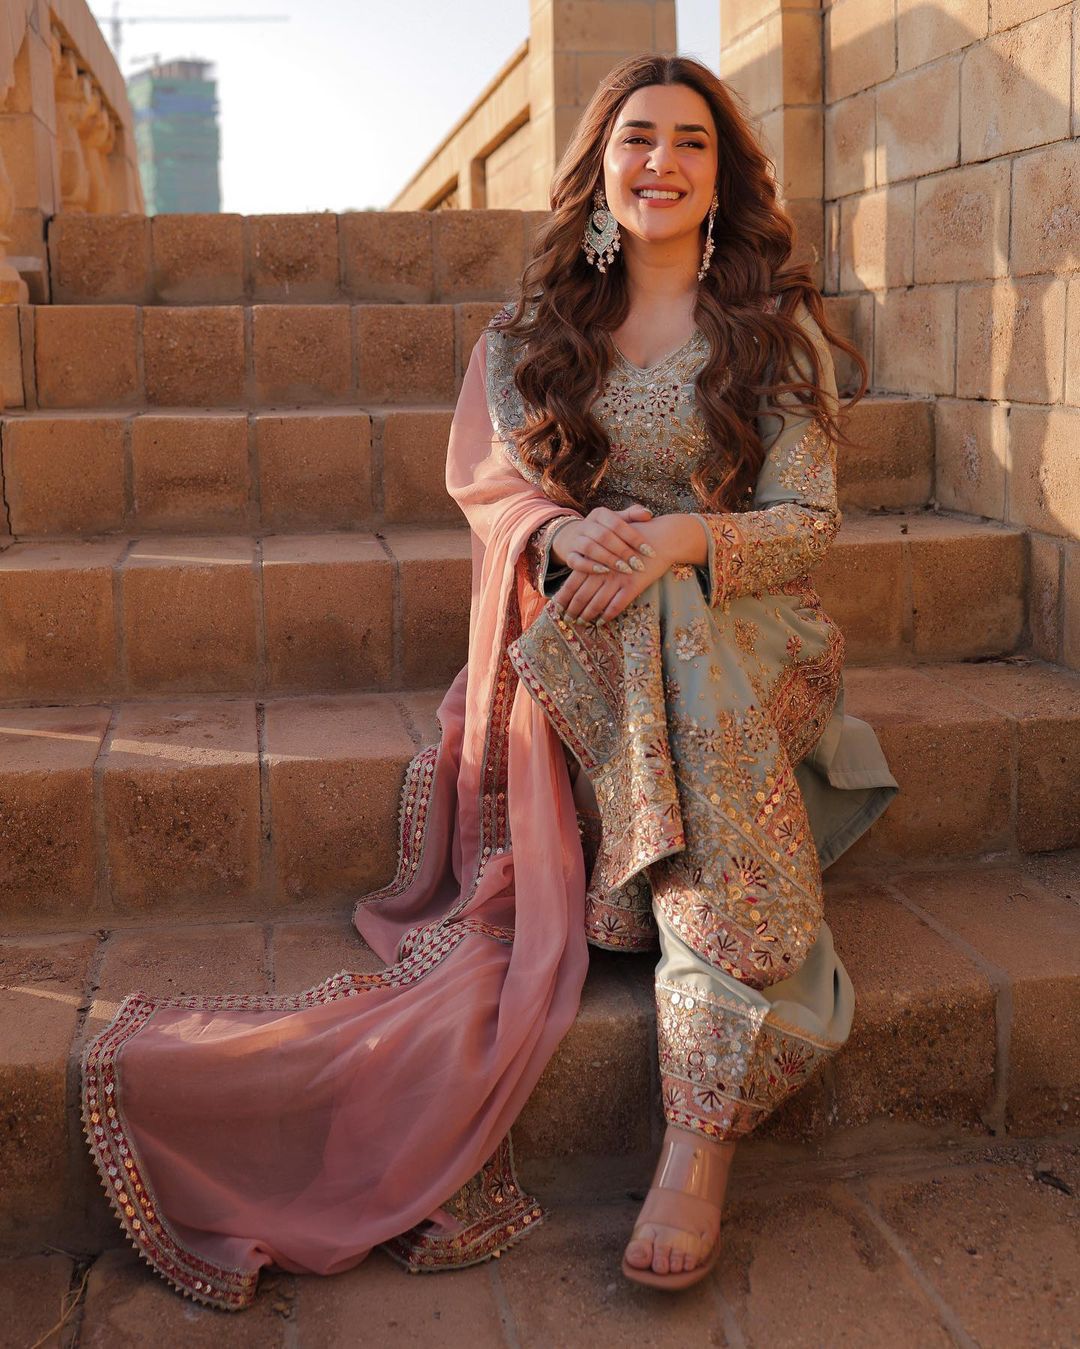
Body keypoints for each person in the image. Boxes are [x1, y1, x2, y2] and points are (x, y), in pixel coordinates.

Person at [80, 53, 898, 1310]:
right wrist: (573, 533)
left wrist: (680, 541)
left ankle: (702, 1128)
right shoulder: (530, 340)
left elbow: (805, 521)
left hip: (753, 636)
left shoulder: (772, 333)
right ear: (599, 170)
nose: (663, 162)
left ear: (725, 177)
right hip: (583, 626)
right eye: (637, 139)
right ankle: (718, 1000)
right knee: (633, 612)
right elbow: (496, 487)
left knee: (666, 608)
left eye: (691, 141)